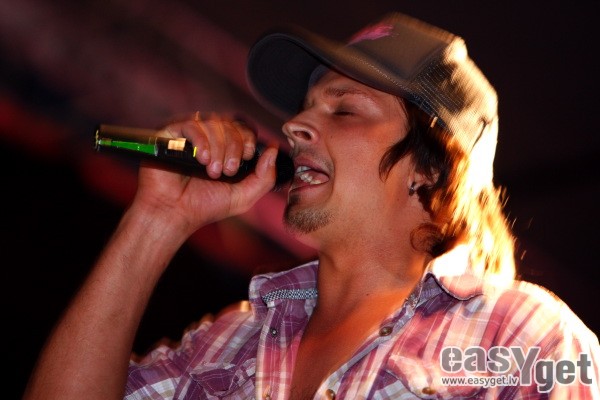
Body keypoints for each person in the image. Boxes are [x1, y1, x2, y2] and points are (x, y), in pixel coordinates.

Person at [23, 11, 598, 400]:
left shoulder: (522, 335)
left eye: (344, 110)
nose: (295, 126)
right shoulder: (226, 343)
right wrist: (157, 218)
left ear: (431, 168)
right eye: (305, 108)